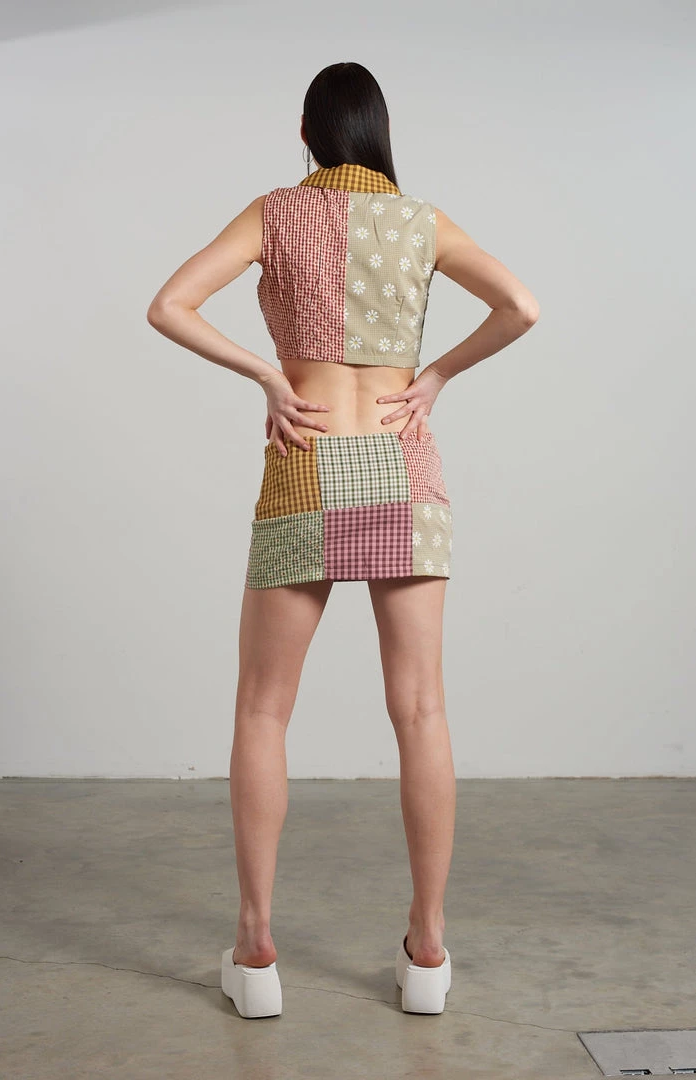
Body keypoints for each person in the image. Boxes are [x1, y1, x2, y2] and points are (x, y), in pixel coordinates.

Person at [147, 61, 539, 1017]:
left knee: (263, 711)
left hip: (309, 464)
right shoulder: (421, 221)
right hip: (402, 467)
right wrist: (435, 375)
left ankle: (255, 949)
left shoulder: (273, 213)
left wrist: (267, 377)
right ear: (377, 131)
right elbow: (520, 306)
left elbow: (168, 305)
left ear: (306, 133)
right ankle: (427, 949)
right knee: (422, 710)